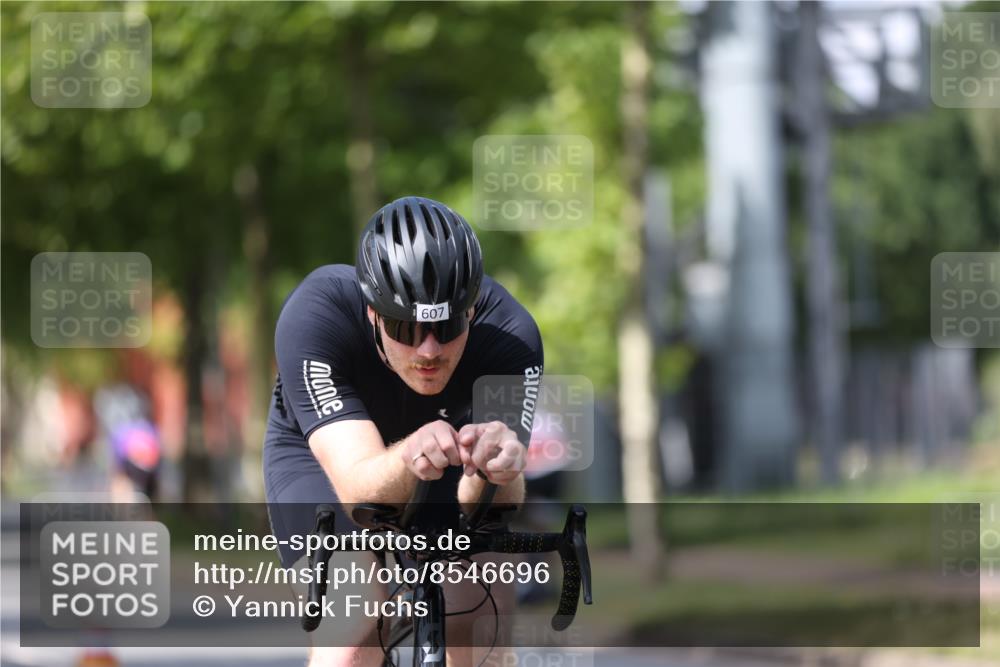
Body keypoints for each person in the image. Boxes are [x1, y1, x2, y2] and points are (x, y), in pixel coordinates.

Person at [263, 196, 543, 667]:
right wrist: (410, 453)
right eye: (406, 328)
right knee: (353, 627)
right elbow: (357, 489)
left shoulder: (511, 337)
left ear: (471, 311)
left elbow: (495, 504)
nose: (429, 350)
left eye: (447, 326)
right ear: (372, 314)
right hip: (327, 458)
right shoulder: (316, 315)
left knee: (478, 626)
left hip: (447, 456)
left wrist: (495, 467)